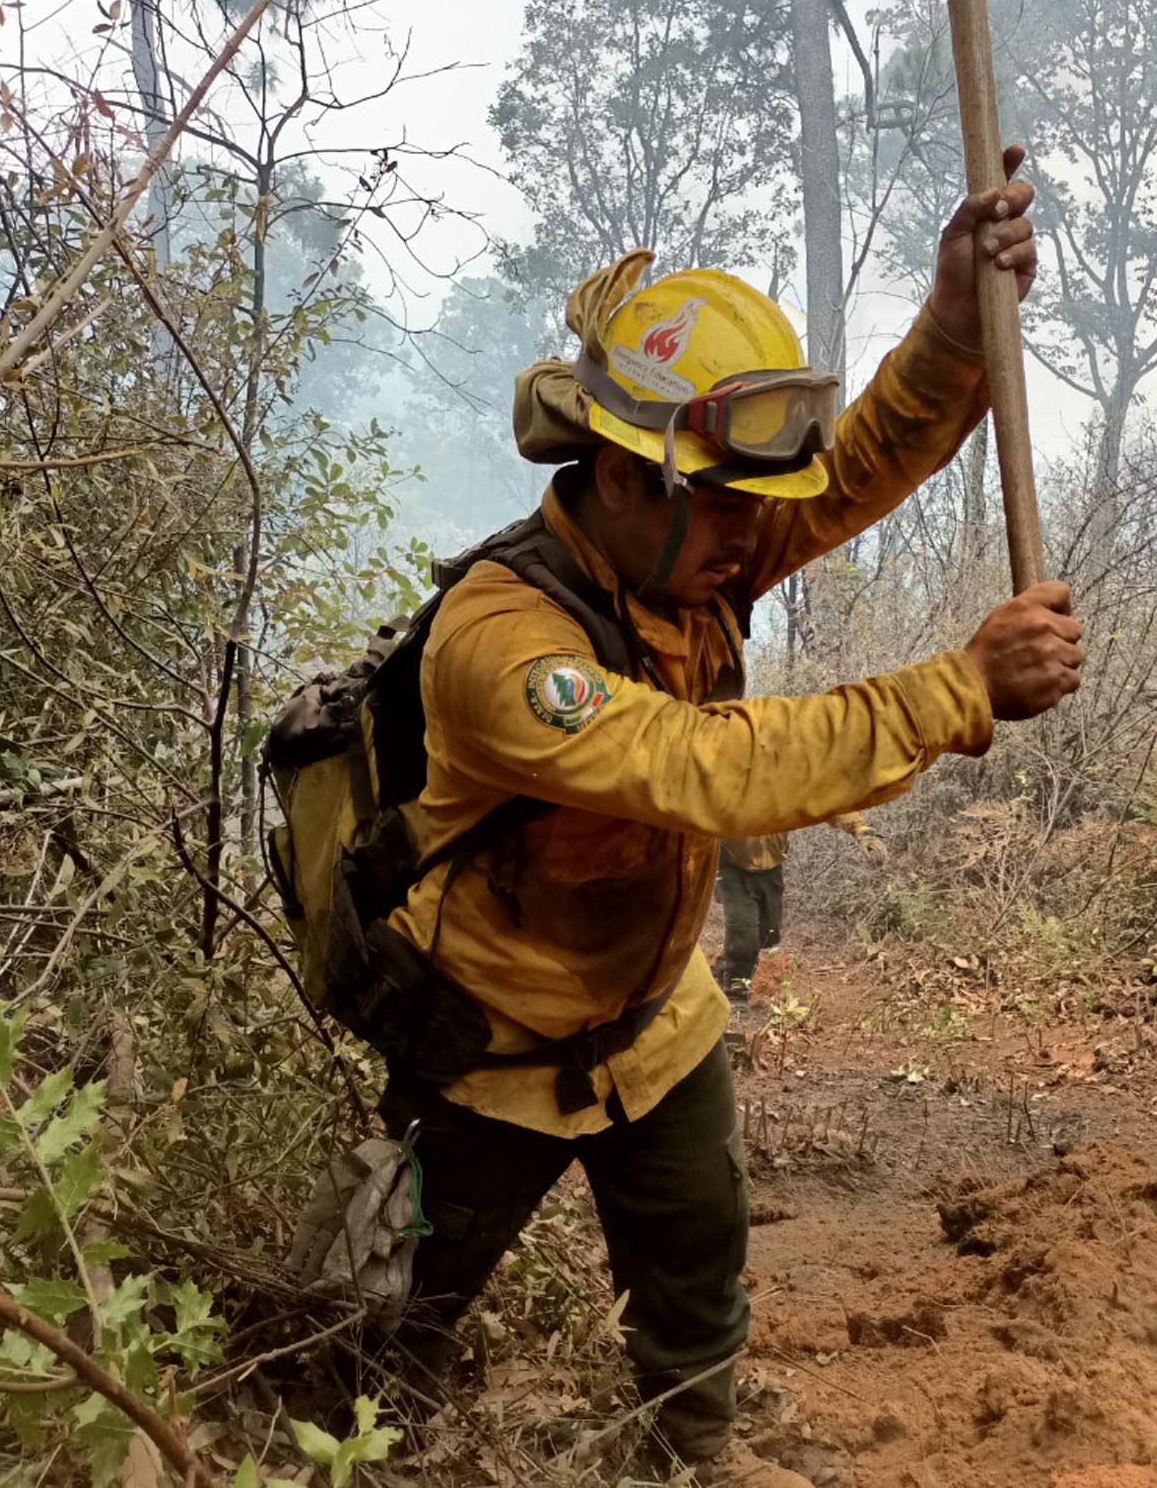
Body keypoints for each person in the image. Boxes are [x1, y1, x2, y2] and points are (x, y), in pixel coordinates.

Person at [373, 149, 1076, 1485]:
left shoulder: (692, 545)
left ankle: (685, 1464)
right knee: (397, 1329)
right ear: (627, 476)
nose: (756, 547)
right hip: (488, 1043)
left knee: (697, 1298)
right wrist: (959, 691)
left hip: (652, 1026)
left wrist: (952, 316)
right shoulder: (504, 643)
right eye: (731, 518)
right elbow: (707, 768)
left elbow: (860, 461)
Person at [715, 817, 882, 999]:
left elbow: (826, 798)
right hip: (730, 867)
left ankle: (725, 965)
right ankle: (735, 995)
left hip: (770, 870)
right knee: (744, 931)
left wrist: (860, 830)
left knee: (768, 935)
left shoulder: (785, 788)